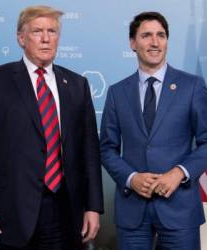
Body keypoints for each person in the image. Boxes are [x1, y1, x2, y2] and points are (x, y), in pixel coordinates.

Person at [0, 5, 104, 250]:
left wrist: (92, 206)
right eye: (38, 31)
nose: (46, 38)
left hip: (64, 212)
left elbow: (89, 152)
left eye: (52, 31)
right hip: (8, 215)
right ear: (21, 38)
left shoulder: (77, 85)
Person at [100, 11, 207, 250]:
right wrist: (131, 178)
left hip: (179, 210)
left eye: (161, 35)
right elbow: (107, 148)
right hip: (133, 212)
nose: (155, 42)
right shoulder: (117, 93)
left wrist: (179, 173)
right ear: (133, 43)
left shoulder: (192, 86)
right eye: (146, 35)